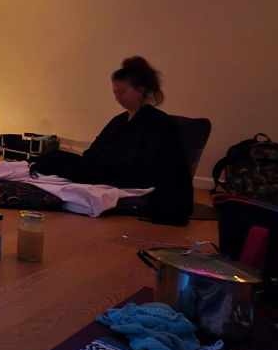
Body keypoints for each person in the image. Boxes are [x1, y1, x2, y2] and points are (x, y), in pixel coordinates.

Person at [29, 56, 193, 225]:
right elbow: (93, 152)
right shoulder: (119, 120)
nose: (117, 97)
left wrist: (102, 165)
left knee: (73, 167)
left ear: (140, 90)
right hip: (111, 168)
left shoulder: (158, 122)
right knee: (56, 158)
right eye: (115, 92)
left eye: (122, 92)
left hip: (133, 175)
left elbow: (146, 162)